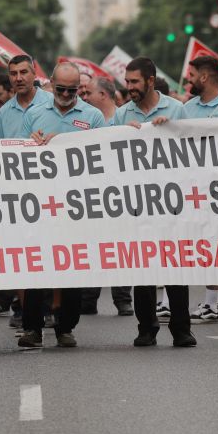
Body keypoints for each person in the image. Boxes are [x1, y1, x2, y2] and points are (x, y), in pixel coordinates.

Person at [17, 62, 106, 349]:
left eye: (72, 89)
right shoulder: (34, 114)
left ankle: (65, 327)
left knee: (72, 268)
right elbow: (17, 157)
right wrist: (31, 144)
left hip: (76, 206)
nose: (66, 94)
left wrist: (66, 144)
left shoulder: (93, 116)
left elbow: (104, 155)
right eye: (60, 89)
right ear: (50, 84)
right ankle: (32, 328)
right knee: (37, 269)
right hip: (41, 204)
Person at [109, 56, 197, 348]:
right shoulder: (122, 115)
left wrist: (171, 129)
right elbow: (106, 155)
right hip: (137, 204)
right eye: (127, 81)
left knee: (175, 267)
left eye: (135, 82)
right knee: (143, 268)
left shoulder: (176, 109)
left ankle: (181, 329)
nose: (129, 87)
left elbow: (193, 149)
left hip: (171, 203)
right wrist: (123, 135)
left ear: (150, 81)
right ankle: (146, 328)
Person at [0, 55, 55, 328]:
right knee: (22, 253)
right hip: (18, 195)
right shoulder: (2, 115)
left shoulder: (52, 104)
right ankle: (23, 307)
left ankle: (49, 308)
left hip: (51, 193)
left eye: (23, 72)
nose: (18, 78)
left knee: (49, 253)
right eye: (13, 73)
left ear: (33, 73)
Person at [182, 55, 218, 323]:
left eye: (192, 75)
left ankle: (210, 304)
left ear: (204, 77)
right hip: (190, 190)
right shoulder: (187, 108)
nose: (188, 80)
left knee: (214, 246)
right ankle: (172, 302)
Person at [78, 75, 133, 317]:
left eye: (89, 92)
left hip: (120, 192)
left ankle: (123, 298)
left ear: (103, 95)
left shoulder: (124, 118)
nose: (84, 96)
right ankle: (88, 298)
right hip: (93, 192)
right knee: (93, 245)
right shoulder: (88, 119)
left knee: (120, 245)